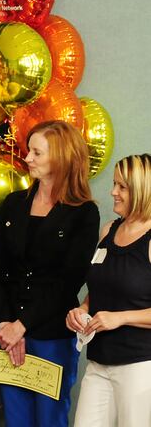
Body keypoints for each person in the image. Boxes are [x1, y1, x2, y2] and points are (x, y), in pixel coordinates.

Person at [0, 120, 100, 426]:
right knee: (15, 419)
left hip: (51, 336)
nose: (28, 158)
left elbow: (67, 282)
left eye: (37, 152)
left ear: (60, 157)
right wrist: (6, 324)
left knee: (50, 419)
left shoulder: (84, 213)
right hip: (8, 334)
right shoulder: (12, 205)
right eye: (29, 150)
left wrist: (23, 324)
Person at [66, 154, 151, 427]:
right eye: (114, 184)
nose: (113, 192)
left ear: (142, 190)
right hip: (99, 363)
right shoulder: (108, 231)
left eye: (122, 187)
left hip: (139, 366)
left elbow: (120, 308)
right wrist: (83, 310)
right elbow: (102, 288)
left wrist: (120, 317)